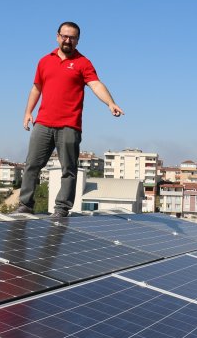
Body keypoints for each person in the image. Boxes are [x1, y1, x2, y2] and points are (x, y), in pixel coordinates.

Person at [15, 21, 123, 218]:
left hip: (69, 125)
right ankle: (25, 204)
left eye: (72, 37)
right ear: (57, 36)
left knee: (69, 170)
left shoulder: (83, 63)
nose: (67, 40)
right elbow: (36, 88)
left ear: (77, 40)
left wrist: (110, 103)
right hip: (43, 123)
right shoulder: (44, 61)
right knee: (31, 164)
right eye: (64, 36)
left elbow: (96, 84)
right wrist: (28, 112)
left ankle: (62, 207)